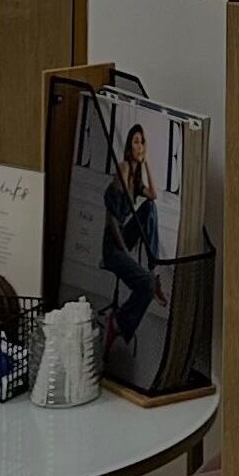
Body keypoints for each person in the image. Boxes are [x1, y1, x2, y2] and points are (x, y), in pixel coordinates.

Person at [101, 124, 165, 344]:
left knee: (150, 207)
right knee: (145, 285)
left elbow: (154, 195)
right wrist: (125, 253)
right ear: (129, 145)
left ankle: (153, 270)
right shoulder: (124, 168)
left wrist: (146, 164)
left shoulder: (136, 176)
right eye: (136, 141)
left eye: (142, 142)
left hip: (123, 237)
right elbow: (111, 220)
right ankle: (118, 322)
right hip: (112, 243)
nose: (140, 146)